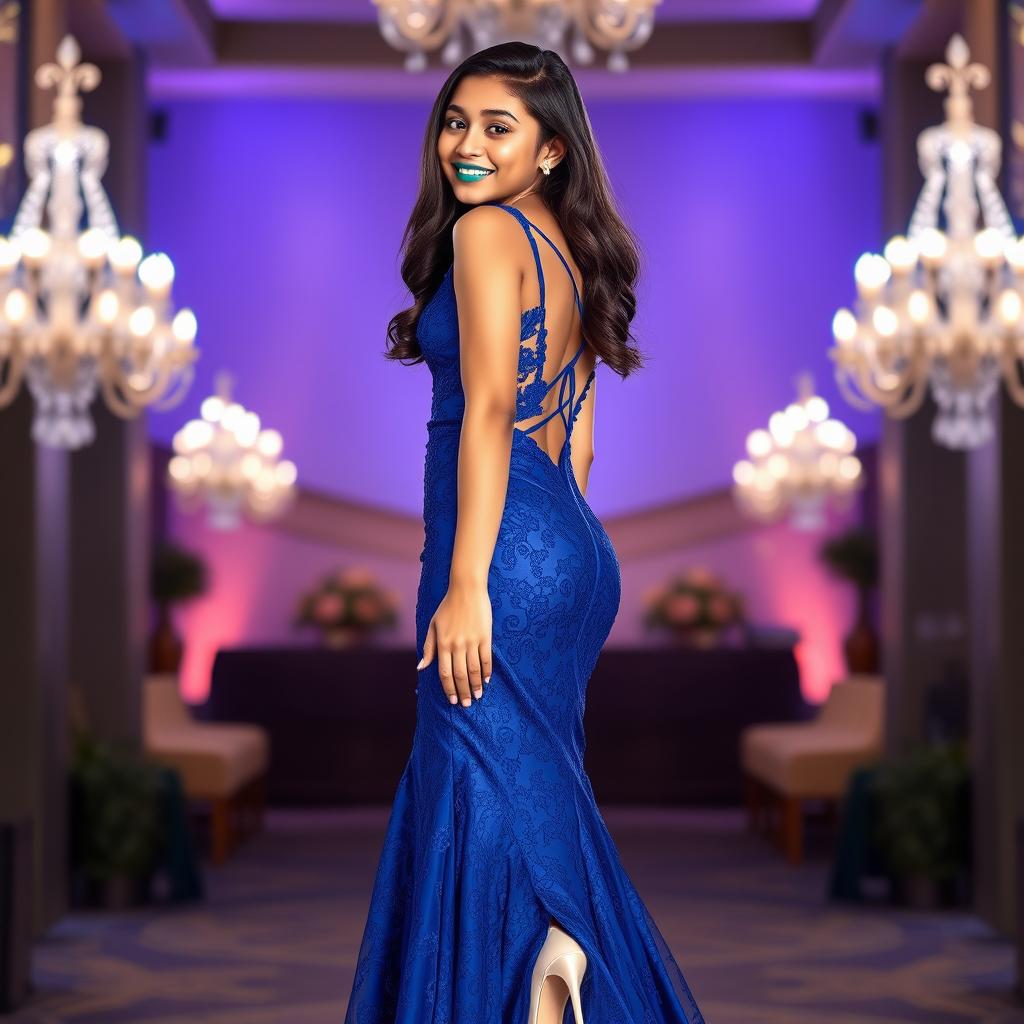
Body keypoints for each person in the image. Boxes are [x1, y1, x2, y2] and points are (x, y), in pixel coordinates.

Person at [343, 41, 706, 1024]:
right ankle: (556, 952)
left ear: (550, 149)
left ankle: (538, 956)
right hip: (569, 544)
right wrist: (544, 559)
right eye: (455, 121)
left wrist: (468, 580)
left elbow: (493, 405)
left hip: (499, 545)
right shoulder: (569, 249)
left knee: (470, 780)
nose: (464, 143)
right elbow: (580, 447)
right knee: (534, 775)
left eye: (496, 126)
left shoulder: (485, 234)